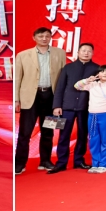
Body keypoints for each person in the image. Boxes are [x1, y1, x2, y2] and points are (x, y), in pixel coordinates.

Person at [15, 26, 67, 174]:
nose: (44, 39)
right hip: (30, 98)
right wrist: (16, 100)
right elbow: (17, 78)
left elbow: (63, 78)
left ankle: (45, 161)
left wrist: (60, 100)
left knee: (48, 131)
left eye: (47, 36)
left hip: (51, 97)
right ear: (34, 38)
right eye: (40, 36)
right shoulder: (22, 55)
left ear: (51, 37)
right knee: (25, 133)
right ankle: (19, 163)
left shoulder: (60, 53)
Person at [48, 42, 99, 173]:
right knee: (64, 135)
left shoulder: (97, 69)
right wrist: (56, 106)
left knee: (83, 135)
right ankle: (61, 163)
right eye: (83, 50)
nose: (86, 53)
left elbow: (99, 89)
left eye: (89, 51)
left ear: (93, 53)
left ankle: (79, 161)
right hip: (67, 107)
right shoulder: (68, 67)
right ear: (78, 52)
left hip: (86, 108)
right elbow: (60, 87)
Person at [75, 65, 106, 173]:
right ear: (98, 74)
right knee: (93, 140)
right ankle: (95, 164)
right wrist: (88, 80)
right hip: (92, 115)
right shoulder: (92, 84)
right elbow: (77, 86)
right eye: (102, 71)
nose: (105, 74)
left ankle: (105, 165)